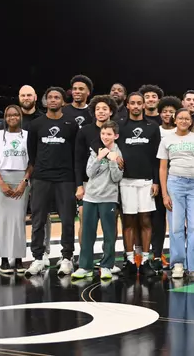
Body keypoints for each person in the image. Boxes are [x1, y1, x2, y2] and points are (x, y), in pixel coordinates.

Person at [25, 87, 79, 276]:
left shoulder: (71, 124)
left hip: (65, 178)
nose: (53, 100)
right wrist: (38, 169)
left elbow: (76, 153)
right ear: (45, 101)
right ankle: (38, 257)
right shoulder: (36, 124)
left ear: (63, 101)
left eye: (57, 97)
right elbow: (32, 152)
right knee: (38, 220)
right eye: (50, 97)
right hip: (41, 177)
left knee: (67, 220)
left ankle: (67, 258)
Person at [158, 108, 194, 279]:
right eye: (180, 118)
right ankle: (178, 264)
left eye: (187, 118)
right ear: (175, 119)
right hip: (175, 184)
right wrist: (165, 194)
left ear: (191, 121)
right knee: (176, 227)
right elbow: (163, 168)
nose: (183, 121)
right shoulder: (167, 139)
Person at [71, 120, 124, 281]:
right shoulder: (96, 151)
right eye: (103, 134)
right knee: (87, 233)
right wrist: (99, 158)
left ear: (116, 136)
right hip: (91, 197)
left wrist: (114, 162)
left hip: (109, 198)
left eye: (109, 134)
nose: (105, 137)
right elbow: (90, 173)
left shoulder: (118, 153)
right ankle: (85, 266)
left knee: (109, 234)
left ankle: (106, 266)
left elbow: (116, 178)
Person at [117, 92, 161, 276]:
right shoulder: (120, 125)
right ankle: (128, 261)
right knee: (128, 221)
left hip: (146, 181)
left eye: (139, 103)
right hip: (125, 180)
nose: (136, 106)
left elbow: (157, 157)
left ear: (144, 105)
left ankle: (144, 261)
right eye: (132, 103)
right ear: (127, 105)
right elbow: (109, 145)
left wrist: (156, 182)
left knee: (145, 220)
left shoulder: (153, 127)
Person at [74, 95, 118, 270]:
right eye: (98, 108)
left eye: (105, 109)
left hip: (110, 187)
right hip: (88, 185)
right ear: (94, 111)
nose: (101, 111)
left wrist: (117, 163)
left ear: (111, 111)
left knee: (110, 226)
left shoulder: (115, 131)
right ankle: (84, 263)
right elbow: (78, 160)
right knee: (86, 224)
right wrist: (79, 185)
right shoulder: (84, 131)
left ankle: (108, 262)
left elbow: (119, 160)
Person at [0, 105, 32, 274]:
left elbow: (31, 162)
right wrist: (1, 183)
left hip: (21, 179)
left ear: (20, 116)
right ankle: (4, 259)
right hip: (2, 180)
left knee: (19, 220)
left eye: (15, 115)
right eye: (9, 115)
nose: (12, 117)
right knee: (2, 220)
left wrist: (24, 182)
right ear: (5, 118)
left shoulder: (28, 136)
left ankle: (19, 259)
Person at [153, 95, 182, 269]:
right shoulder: (155, 130)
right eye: (164, 111)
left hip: (178, 178)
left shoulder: (182, 131)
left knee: (178, 221)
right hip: (160, 178)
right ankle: (157, 254)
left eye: (171, 112)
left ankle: (178, 256)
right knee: (158, 220)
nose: (167, 114)